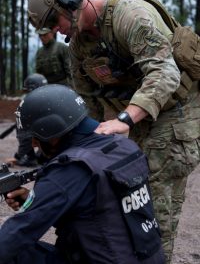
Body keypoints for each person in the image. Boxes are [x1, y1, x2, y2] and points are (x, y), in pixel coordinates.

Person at [27, 0, 200, 262]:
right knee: (122, 185)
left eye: (53, 20)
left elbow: (165, 73)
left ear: (71, 2)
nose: (53, 29)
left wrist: (124, 119)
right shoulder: (79, 46)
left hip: (176, 109)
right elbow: (84, 105)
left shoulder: (128, 14)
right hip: (139, 113)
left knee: (150, 199)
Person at [0, 84, 165, 264]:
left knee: (15, 251)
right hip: (146, 257)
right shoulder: (125, 147)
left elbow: (17, 233)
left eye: (37, 136)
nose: (34, 144)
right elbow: (96, 212)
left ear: (53, 128)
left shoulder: (69, 169)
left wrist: (38, 203)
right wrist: (34, 200)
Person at [6, 73, 48, 167]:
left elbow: (24, 136)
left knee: (26, 129)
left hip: (53, 145)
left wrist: (18, 156)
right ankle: (44, 156)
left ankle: (31, 158)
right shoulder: (52, 99)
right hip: (64, 144)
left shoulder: (28, 105)